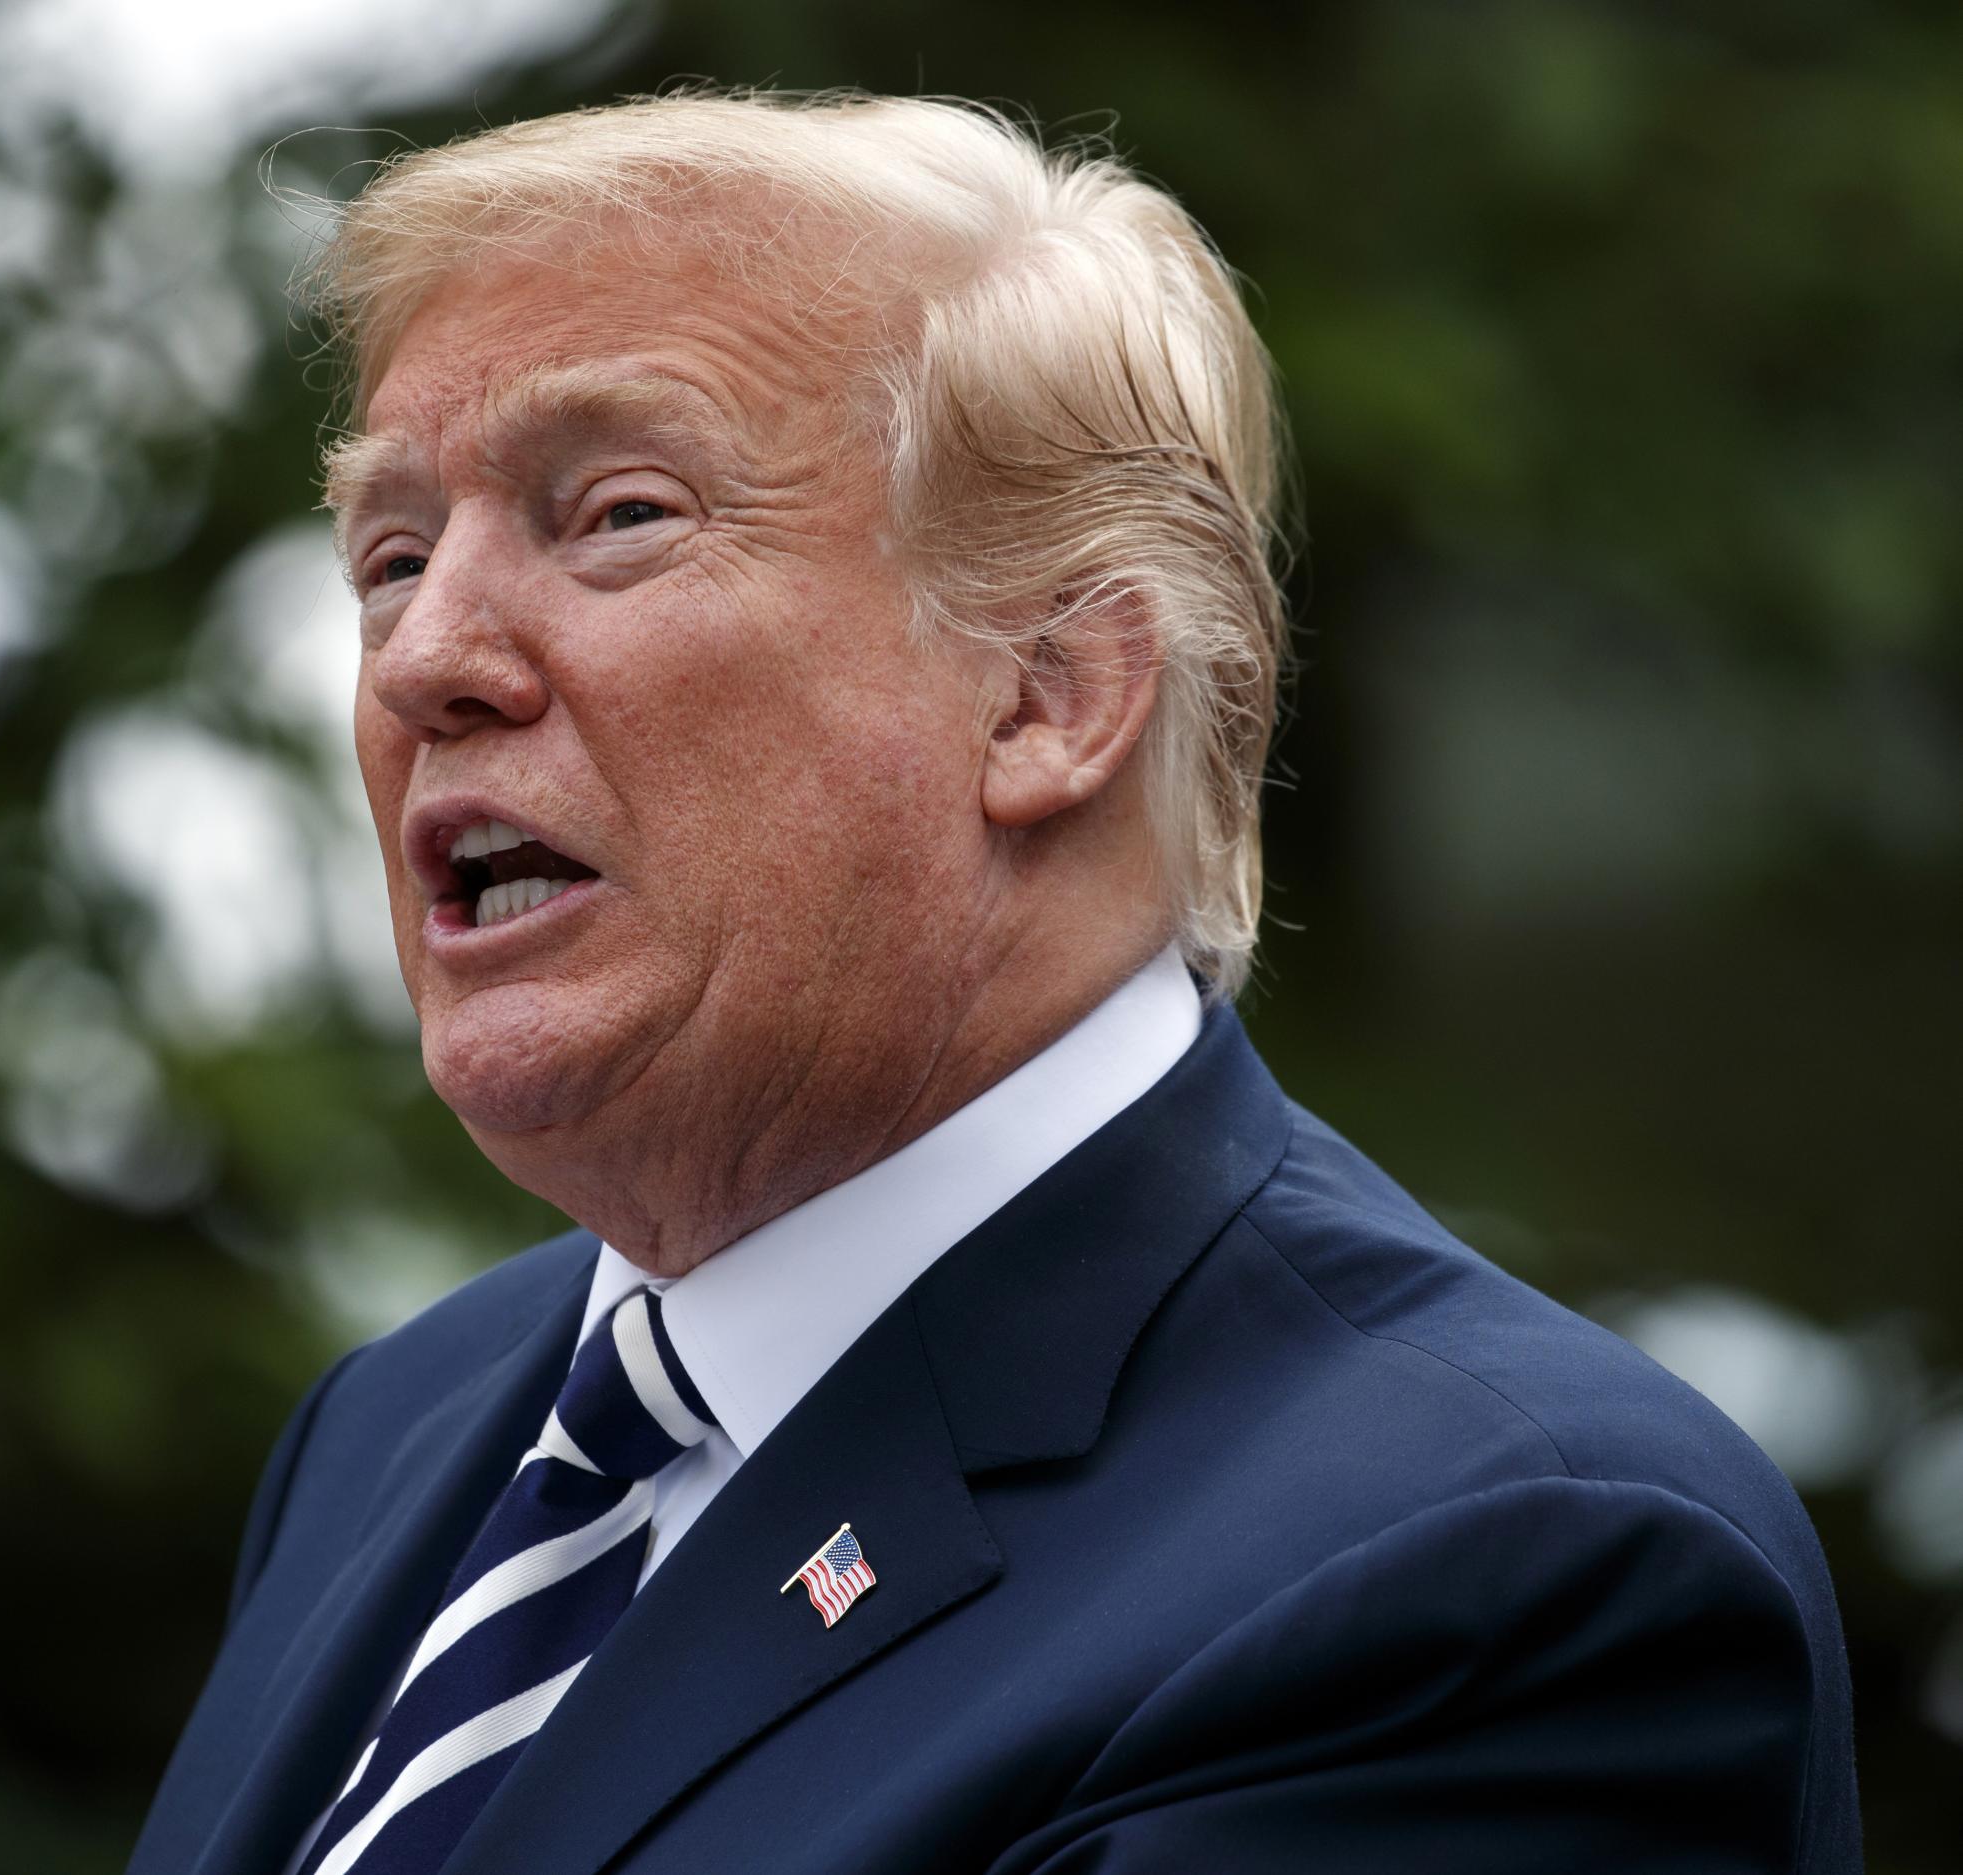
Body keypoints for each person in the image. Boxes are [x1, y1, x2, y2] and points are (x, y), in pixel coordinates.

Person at [128, 92, 1860, 1875]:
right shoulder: (396, 1429)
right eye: (391, 558)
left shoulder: (1493, 1571)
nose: (427, 659)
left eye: (620, 514)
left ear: (1048, 690)